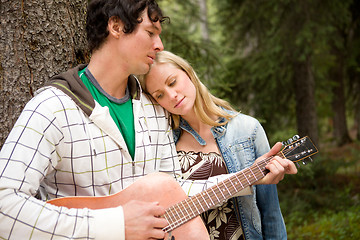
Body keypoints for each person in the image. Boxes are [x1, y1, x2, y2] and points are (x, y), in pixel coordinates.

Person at [0, 1, 295, 239]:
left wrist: (247, 176)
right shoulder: (52, 107)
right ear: (116, 27)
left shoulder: (153, 110)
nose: (160, 45)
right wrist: (114, 226)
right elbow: (4, 207)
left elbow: (175, 192)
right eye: (151, 32)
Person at [138, 50, 297, 240]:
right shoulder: (164, 143)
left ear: (189, 73)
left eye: (173, 82)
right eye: (159, 95)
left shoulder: (248, 130)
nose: (171, 95)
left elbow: (270, 214)